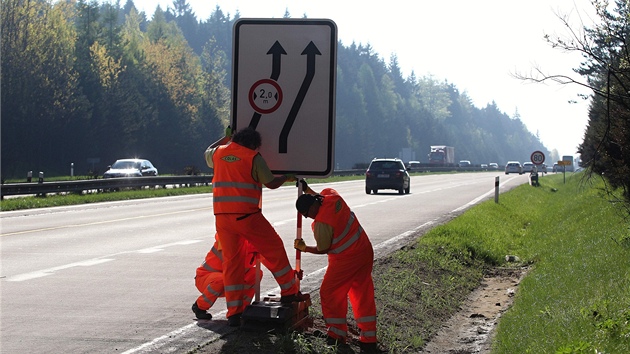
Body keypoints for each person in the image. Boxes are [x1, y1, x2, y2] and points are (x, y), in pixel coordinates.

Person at [204, 126, 307, 326]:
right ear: (252, 144)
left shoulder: (218, 153)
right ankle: (288, 291)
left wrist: (225, 138)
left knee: (232, 263)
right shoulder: (253, 157)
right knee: (273, 248)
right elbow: (270, 183)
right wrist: (286, 176)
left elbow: (206, 151)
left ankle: (234, 313)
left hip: (222, 219)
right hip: (247, 216)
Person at [294, 181, 378, 353]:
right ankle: (369, 339)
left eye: (306, 214)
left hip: (347, 259)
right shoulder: (331, 196)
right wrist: (307, 189)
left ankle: (337, 336)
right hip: (364, 251)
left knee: (329, 292)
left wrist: (304, 248)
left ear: (311, 209)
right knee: (362, 292)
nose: (307, 217)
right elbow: (318, 194)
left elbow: (323, 248)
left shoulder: (322, 224)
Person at [191, 234, 265, 320]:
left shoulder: (255, 245)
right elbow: (240, 247)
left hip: (230, 281)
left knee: (256, 273)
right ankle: (200, 307)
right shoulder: (226, 237)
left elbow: (271, 259)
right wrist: (260, 245)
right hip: (206, 278)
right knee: (222, 279)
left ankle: (242, 310)